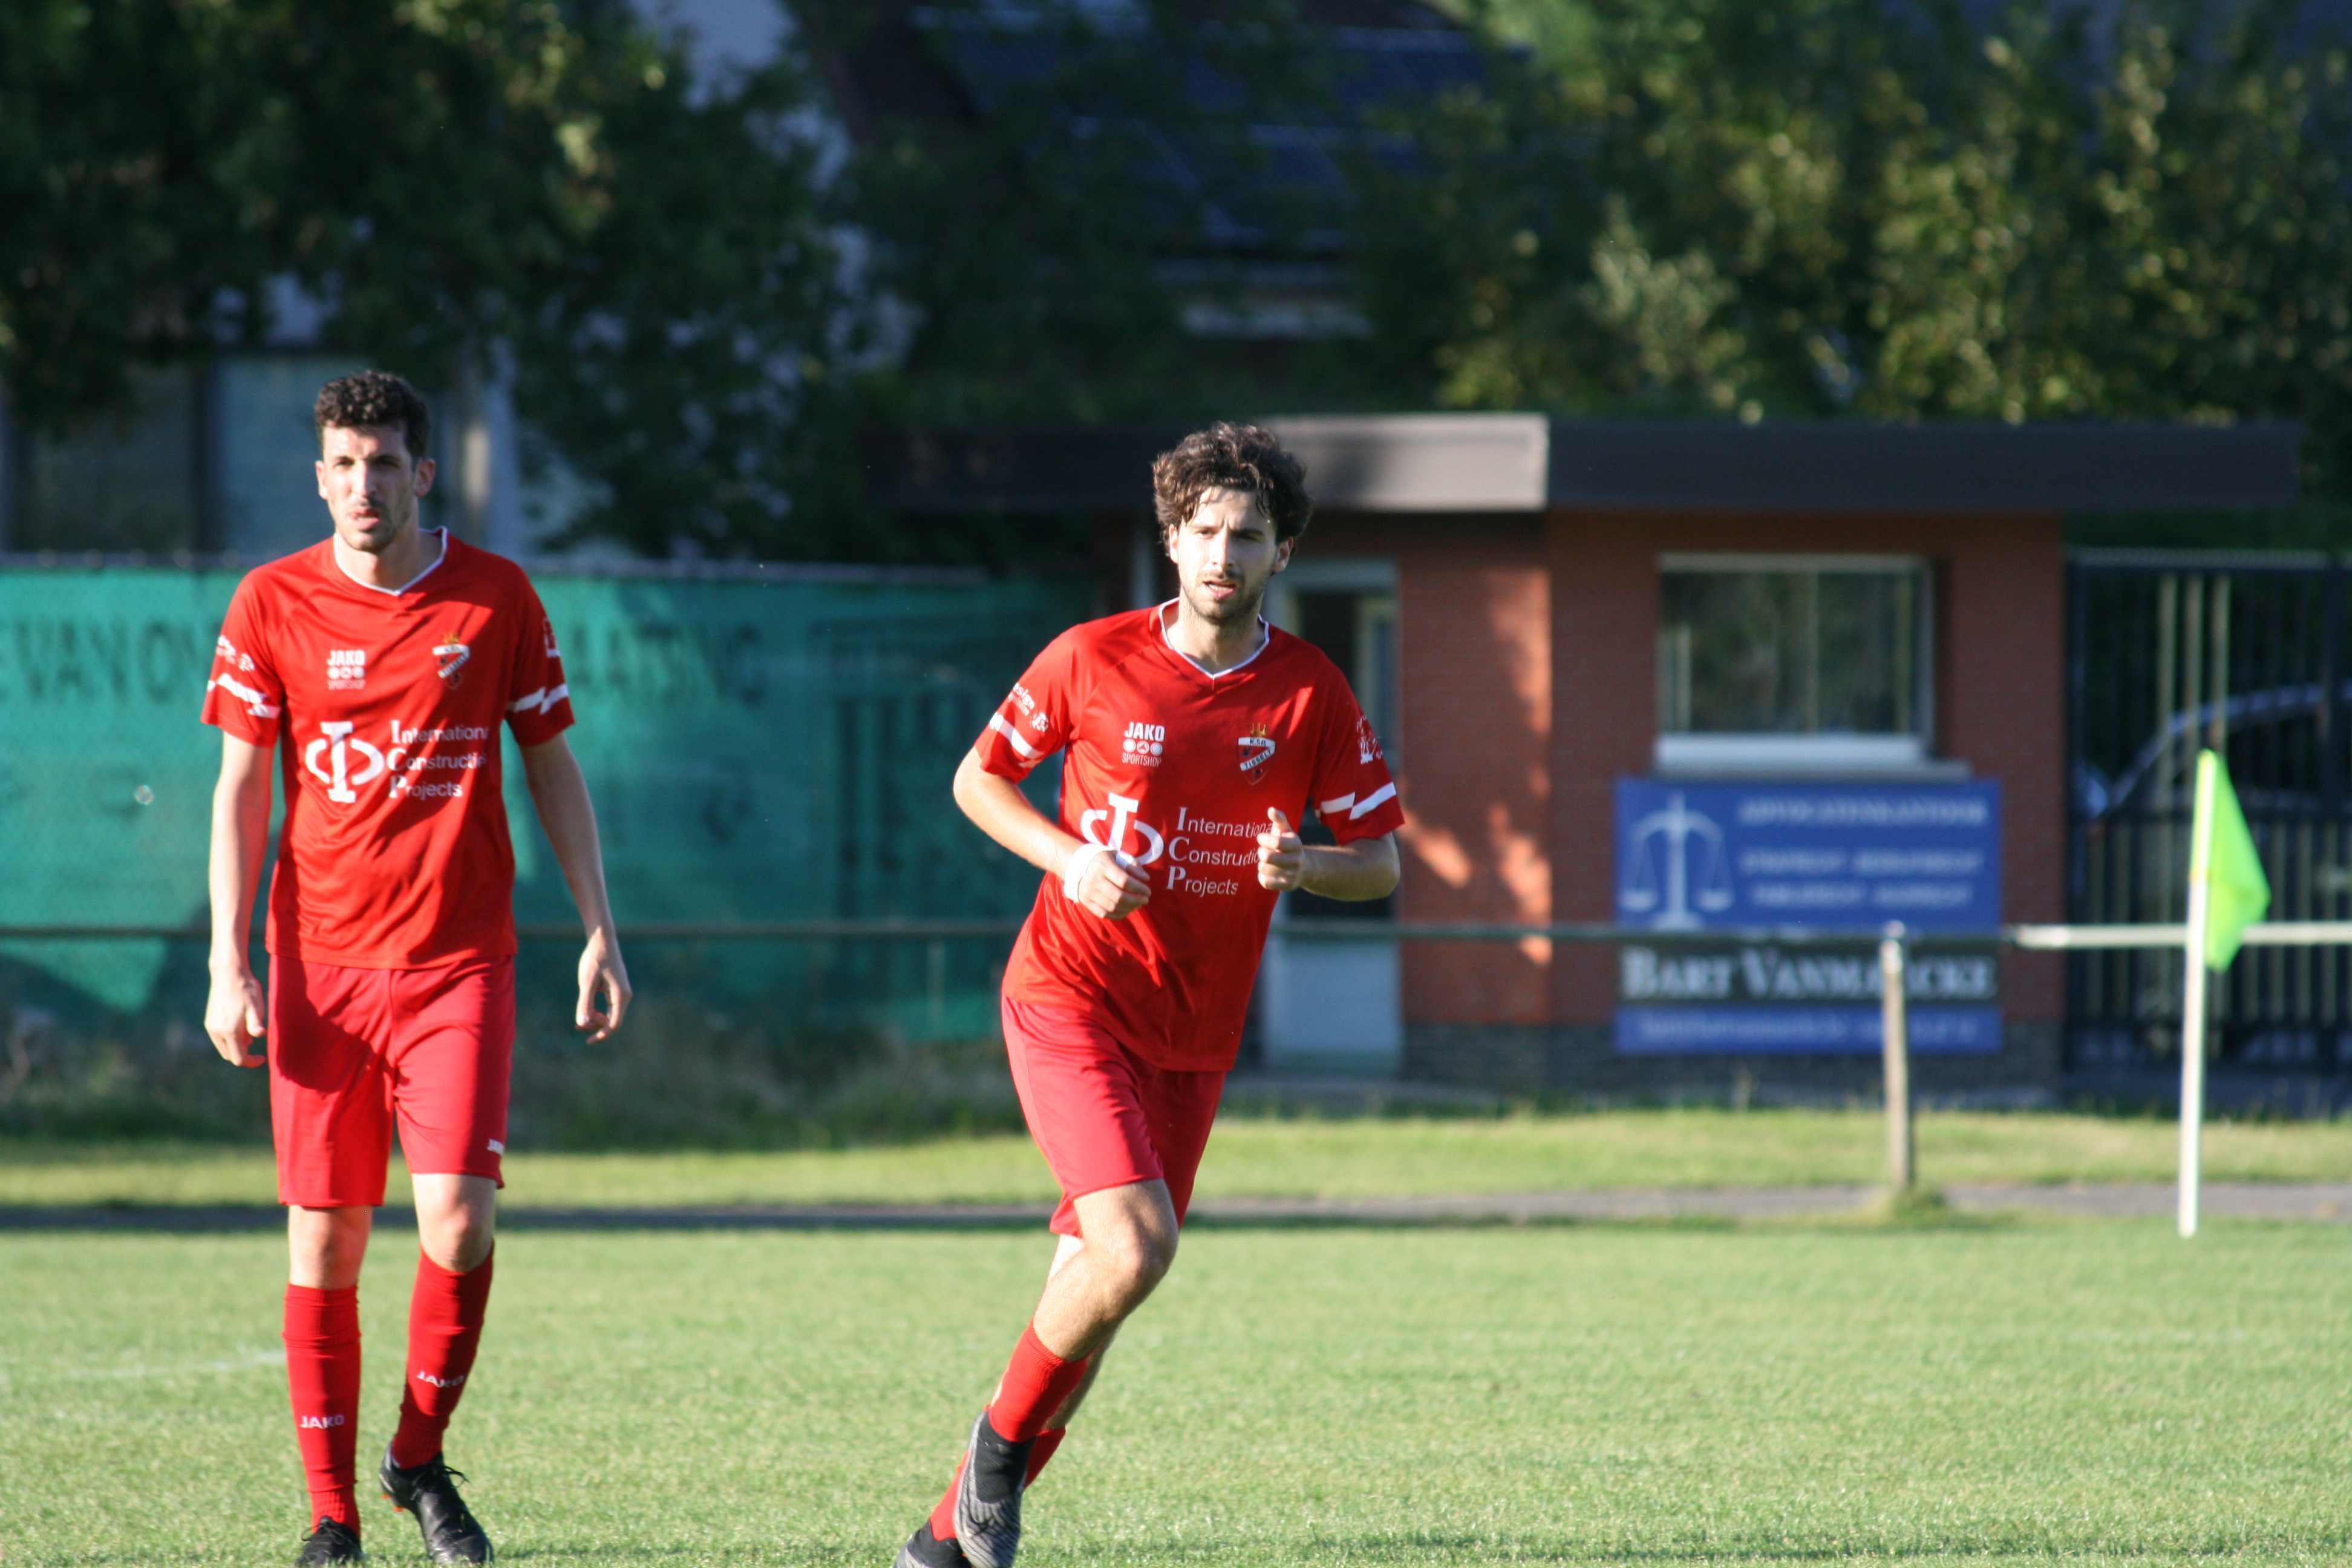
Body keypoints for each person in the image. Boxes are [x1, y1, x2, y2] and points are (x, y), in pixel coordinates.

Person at [895, 423, 1404, 1568]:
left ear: (1283, 554)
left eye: (1250, 537)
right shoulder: (1090, 656)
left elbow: (1380, 863)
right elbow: (978, 779)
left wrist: (1306, 865)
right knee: (1133, 1250)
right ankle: (991, 1459)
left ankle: (940, 1542)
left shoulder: (1310, 692)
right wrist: (1067, 857)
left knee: (1100, 1295)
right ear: (1173, 542)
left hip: (1196, 1033)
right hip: (1069, 997)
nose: (1225, 554)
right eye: (1206, 532)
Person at [202, 370, 631, 1566]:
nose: (361, 485)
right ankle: (333, 1518)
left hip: (456, 965)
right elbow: (241, 791)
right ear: (319, 474)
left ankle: (415, 1454)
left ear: (422, 472)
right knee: (325, 1240)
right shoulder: (270, 601)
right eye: (341, 464)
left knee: (458, 1220)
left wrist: (600, 924)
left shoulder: (494, 600)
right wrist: (227, 964)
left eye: (383, 462)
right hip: (319, 970)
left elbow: (551, 763)